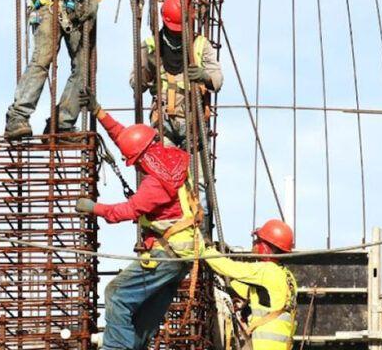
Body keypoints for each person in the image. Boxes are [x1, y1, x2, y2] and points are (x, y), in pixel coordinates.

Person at [74, 108, 296, 349]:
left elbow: (127, 211)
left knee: (116, 295)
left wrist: (94, 207)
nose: (135, 167)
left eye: (135, 163)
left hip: (167, 254)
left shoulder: (155, 185)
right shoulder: (171, 159)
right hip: (181, 260)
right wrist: (99, 113)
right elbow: (128, 139)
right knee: (148, 312)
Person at [5, 0, 101, 141]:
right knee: (42, 61)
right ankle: (17, 116)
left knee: (85, 66)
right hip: (48, 7)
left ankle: (62, 124)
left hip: (74, 9)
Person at [130, 0, 224, 146]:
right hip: (163, 122)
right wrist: (147, 69)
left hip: (193, 123)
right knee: (165, 167)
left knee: (196, 169)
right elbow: (136, 84)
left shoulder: (201, 44)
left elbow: (217, 80)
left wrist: (204, 77)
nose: (176, 33)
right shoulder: (151, 46)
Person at [209, 219, 299, 350]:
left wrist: (205, 251)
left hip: (265, 345)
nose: (255, 243)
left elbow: (230, 267)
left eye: (259, 240)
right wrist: (229, 282)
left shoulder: (265, 270)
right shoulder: (287, 276)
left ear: (267, 247)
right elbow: (259, 295)